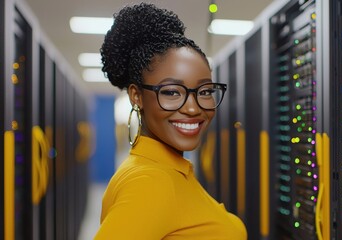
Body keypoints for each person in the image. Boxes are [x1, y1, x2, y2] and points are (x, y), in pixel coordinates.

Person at [94, 3, 247, 239]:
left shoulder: (166, 169)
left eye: (205, 91)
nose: (194, 108)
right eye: (172, 92)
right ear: (137, 96)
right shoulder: (150, 182)